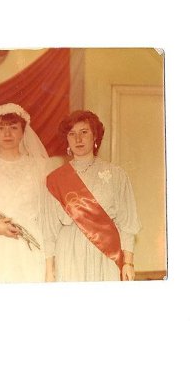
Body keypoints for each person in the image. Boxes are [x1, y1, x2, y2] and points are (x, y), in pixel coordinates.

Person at [44, 110, 141, 282]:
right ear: (66, 139)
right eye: (72, 134)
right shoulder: (55, 179)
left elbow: (127, 223)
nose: (78, 139)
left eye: (84, 132)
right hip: (69, 253)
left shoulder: (116, 175)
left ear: (95, 136)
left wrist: (128, 263)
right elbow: (49, 230)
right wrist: (49, 270)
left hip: (105, 254)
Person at [0, 103, 54, 283]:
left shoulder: (39, 166)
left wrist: (49, 266)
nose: (7, 134)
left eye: (13, 128)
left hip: (29, 247)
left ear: (23, 132)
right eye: (1, 128)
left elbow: (47, 216)